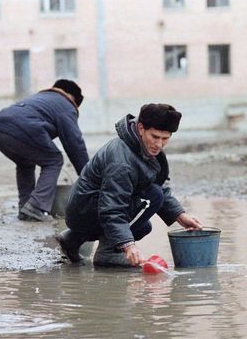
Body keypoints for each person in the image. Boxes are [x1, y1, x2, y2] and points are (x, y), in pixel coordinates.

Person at [56, 103, 203, 267]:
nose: (159, 145)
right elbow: (112, 207)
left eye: (165, 138)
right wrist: (127, 244)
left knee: (143, 226)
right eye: (155, 137)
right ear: (141, 128)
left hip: (88, 211)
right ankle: (108, 253)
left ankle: (72, 239)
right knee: (153, 197)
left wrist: (179, 215)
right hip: (86, 212)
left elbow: (159, 183)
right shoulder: (122, 161)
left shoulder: (143, 147)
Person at [0, 79, 89, 222]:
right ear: (73, 98)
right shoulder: (66, 104)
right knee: (54, 160)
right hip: (22, 127)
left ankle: (25, 207)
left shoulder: (40, 98)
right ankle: (36, 206)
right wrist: (88, 174)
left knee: (25, 162)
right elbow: (74, 142)